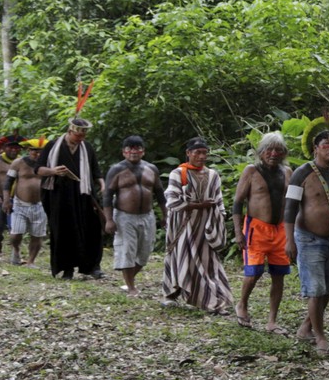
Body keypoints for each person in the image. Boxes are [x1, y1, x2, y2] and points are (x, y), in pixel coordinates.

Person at [285, 117, 329, 355]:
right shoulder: (301, 173)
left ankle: (306, 326)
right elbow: (290, 207)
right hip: (308, 238)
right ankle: (320, 336)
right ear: (315, 148)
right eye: (326, 144)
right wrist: (288, 239)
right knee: (315, 288)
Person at [162, 136, 233, 313]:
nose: (201, 156)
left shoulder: (213, 175)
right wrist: (198, 205)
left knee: (206, 261)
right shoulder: (178, 173)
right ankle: (171, 294)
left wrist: (218, 218)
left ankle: (209, 297)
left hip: (205, 224)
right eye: (197, 152)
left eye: (204, 153)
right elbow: (171, 201)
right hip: (182, 225)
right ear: (188, 153)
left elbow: (219, 200)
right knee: (180, 255)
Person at [233, 132, 292, 331]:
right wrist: (238, 232)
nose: (273, 153)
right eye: (269, 149)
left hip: (281, 230)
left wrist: (294, 233)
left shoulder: (287, 172)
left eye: (278, 150)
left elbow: (293, 203)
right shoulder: (251, 171)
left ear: (284, 153)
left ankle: (272, 320)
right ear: (261, 152)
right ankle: (242, 304)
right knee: (254, 272)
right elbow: (238, 202)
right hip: (256, 228)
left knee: (279, 275)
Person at [37, 117, 104, 280]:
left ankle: (92, 267)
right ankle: (67, 269)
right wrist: (53, 171)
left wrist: (102, 184)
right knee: (64, 230)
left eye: (83, 136)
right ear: (70, 132)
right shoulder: (53, 146)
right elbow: (38, 169)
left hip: (83, 194)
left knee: (92, 228)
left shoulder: (87, 147)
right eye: (78, 136)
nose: (80, 139)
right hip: (59, 195)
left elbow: (96, 171)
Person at [102, 135, 161, 296]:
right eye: (130, 149)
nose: (133, 152)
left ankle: (129, 279)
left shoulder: (151, 169)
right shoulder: (116, 170)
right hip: (124, 216)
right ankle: (131, 286)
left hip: (147, 215)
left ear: (143, 151)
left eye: (137, 148)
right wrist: (108, 220)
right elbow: (107, 196)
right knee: (127, 249)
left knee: (145, 252)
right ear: (124, 152)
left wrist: (165, 215)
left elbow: (160, 194)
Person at [5, 139, 48, 267]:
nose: (38, 154)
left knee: (37, 235)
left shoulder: (48, 164)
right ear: (29, 150)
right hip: (20, 204)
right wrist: (7, 200)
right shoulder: (18, 163)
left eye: (41, 151)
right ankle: (16, 250)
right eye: (35, 151)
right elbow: (8, 182)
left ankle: (31, 261)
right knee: (16, 233)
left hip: (41, 205)